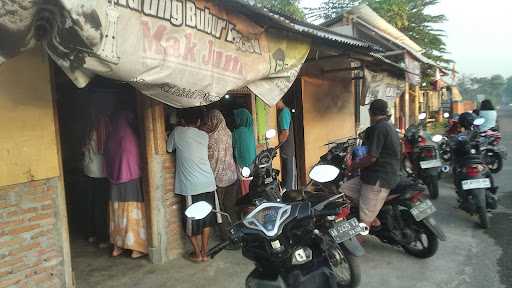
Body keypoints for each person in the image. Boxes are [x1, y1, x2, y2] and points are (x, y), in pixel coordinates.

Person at [167, 108, 218, 263]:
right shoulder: (204, 135)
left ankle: (198, 254)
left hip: (191, 186)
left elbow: (169, 148)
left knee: (191, 222)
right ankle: (205, 251)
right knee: (206, 220)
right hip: (208, 183)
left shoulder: (177, 132)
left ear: (181, 119)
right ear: (197, 121)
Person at [342, 99, 401, 229]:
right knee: (344, 191)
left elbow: (371, 158)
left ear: (370, 113)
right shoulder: (388, 126)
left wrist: (352, 166)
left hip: (379, 179)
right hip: (372, 176)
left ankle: (363, 231)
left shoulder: (379, 128)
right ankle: (373, 217)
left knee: (363, 223)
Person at [104, 111, 148, 259]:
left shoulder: (111, 136)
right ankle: (136, 248)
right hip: (131, 179)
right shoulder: (130, 137)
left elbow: (107, 157)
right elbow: (138, 159)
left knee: (117, 213)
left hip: (114, 180)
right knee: (132, 211)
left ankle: (117, 246)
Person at [202, 110, 240, 243]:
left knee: (220, 210)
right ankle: (238, 234)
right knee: (230, 207)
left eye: (208, 120)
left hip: (218, 179)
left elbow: (208, 159)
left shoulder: (209, 138)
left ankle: (228, 238)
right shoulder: (228, 133)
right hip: (232, 176)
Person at [82, 110, 110, 248]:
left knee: (92, 204)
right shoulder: (101, 133)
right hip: (100, 174)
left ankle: (91, 234)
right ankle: (102, 238)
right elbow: (104, 151)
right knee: (101, 207)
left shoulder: (90, 132)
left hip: (89, 171)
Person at [232, 108, 257, 194]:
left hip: (243, 166)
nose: (236, 121)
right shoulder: (251, 131)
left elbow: (233, 146)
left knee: (245, 190)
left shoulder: (239, 132)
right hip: (252, 165)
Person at [277, 100, 295, 191]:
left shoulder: (284, 113)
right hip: (287, 148)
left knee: (288, 176)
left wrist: (277, 145)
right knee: (287, 173)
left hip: (286, 148)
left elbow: (285, 133)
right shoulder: (285, 111)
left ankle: (289, 196)